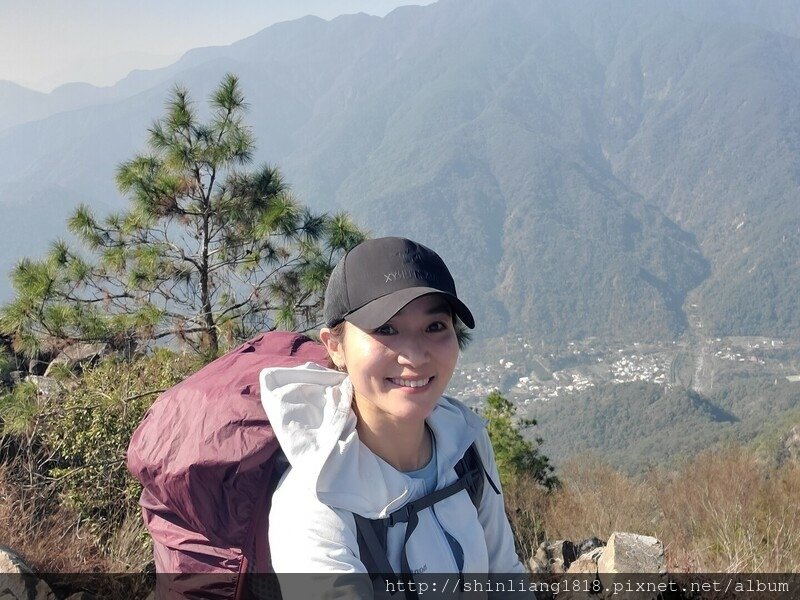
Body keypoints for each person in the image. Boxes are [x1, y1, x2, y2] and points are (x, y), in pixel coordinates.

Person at [260, 237, 531, 597]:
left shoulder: (465, 444)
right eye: (386, 329)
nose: (415, 356)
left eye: (435, 327)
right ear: (335, 346)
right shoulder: (316, 503)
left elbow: (504, 577)